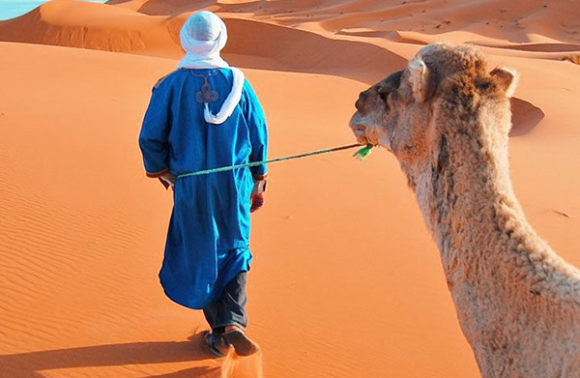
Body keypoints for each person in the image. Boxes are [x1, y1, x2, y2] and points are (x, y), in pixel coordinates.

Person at [138, 11, 268, 357]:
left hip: (192, 187)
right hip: (234, 184)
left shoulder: (169, 86)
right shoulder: (240, 83)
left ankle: (220, 331)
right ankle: (231, 323)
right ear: (220, 38)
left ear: (185, 39)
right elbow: (258, 133)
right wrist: (259, 179)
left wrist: (163, 172)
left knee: (202, 250)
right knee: (235, 247)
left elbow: (150, 138)